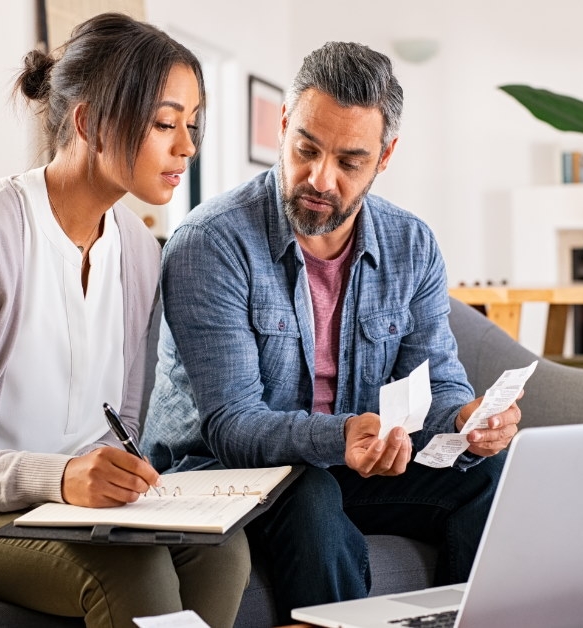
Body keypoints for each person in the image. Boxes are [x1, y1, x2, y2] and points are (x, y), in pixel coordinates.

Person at [0, 13, 249, 628]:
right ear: (89, 122)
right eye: (164, 123)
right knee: (130, 571)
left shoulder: (143, 253)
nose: (186, 147)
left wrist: (123, 481)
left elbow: (123, 421)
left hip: (60, 504)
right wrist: (61, 477)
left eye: (191, 126)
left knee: (221, 551)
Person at [142, 41, 522, 622]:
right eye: (306, 149)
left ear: (384, 156)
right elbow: (231, 427)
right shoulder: (212, 243)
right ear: (285, 126)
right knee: (312, 495)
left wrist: (466, 420)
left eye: (349, 162)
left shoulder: (411, 244)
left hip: (347, 462)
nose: (320, 178)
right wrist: (343, 435)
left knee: (488, 476)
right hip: (219, 474)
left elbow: (438, 380)